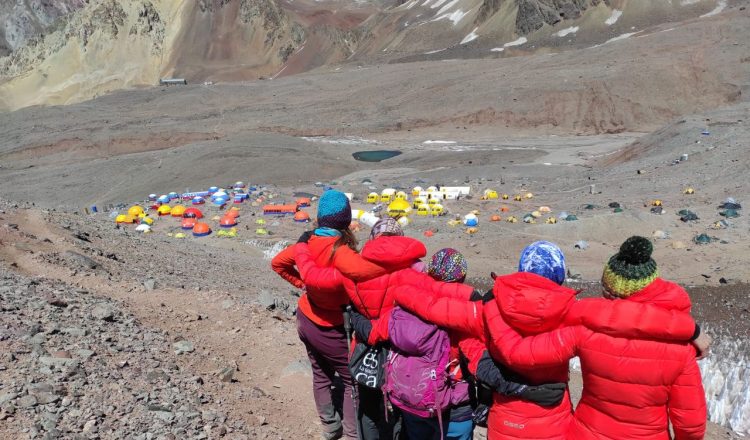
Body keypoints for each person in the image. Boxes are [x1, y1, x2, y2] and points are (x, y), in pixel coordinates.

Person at [483, 237, 707, 439]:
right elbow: (691, 425)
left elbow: (520, 353)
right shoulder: (682, 347)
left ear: (609, 292)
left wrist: (492, 308)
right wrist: (692, 331)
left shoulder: (585, 330)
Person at [293, 217, 475, 440]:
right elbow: (436, 294)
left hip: (366, 346)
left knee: (367, 406)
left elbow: (316, 279)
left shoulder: (353, 267)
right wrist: (474, 298)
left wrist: (355, 316)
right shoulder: (415, 270)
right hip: (400, 347)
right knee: (402, 406)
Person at [271, 190, 385, 440]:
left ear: (320, 218)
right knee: (350, 380)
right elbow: (368, 278)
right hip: (332, 326)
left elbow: (278, 263)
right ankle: (353, 434)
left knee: (321, 374)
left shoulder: (307, 243)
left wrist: (302, 283)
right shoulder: (343, 253)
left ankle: (330, 425)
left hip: (305, 317)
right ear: (345, 221)